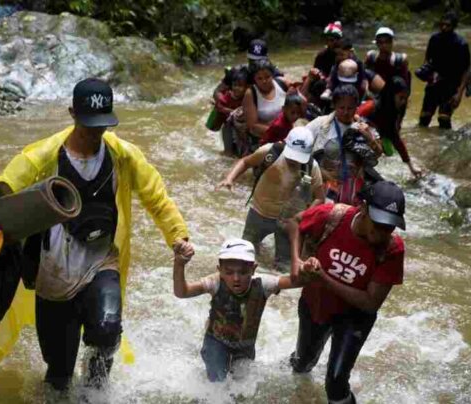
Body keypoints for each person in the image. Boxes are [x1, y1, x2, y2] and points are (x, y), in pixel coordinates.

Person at [0, 78, 191, 392]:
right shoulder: (45, 156)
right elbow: (6, 186)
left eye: (102, 126)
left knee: (108, 329)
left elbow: (156, 197)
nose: (96, 133)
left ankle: (96, 393)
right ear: (72, 114)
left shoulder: (122, 154)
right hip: (55, 269)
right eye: (89, 126)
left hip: (102, 259)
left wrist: (177, 235)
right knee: (58, 374)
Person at [287, 180, 406, 404]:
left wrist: (323, 277)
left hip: (354, 317)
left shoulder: (392, 249)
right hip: (316, 304)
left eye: (390, 227)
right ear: (362, 208)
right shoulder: (331, 216)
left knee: (336, 382)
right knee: (302, 364)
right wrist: (296, 262)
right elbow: (295, 222)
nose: (383, 233)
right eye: (378, 224)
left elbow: (370, 303)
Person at [173, 238, 302, 382]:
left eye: (243, 272)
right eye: (228, 272)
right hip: (216, 341)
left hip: (245, 345)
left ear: (253, 269)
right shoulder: (215, 282)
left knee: (241, 387)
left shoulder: (263, 284)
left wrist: (307, 269)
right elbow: (181, 292)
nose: (236, 278)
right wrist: (179, 264)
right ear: (219, 270)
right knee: (218, 383)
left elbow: (296, 281)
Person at [217, 127, 324, 272]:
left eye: (299, 157)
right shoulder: (270, 152)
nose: (294, 160)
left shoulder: (312, 167)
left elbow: (320, 198)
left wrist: (303, 216)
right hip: (259, 213)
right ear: (286, 144)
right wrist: (229, 178)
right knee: (245, 255)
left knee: (284, 266)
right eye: (292, 156)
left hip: (287, 222)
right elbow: (245, 162)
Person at [358, 76, 423, 178]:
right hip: (359, 140)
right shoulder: (370, 107)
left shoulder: (392, 112)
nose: (403, 102)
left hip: (375, 140)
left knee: (389, 151)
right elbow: (352, 118)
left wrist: (411, 167)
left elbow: (396, 139)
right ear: (390, 95)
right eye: (401, 98)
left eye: (405, 99)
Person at [418, 11, 470, 129]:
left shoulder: (461, 44)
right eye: (442, 24)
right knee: (424, 118)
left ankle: (446, 143)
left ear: (454, 27)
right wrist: (425, 72)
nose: (444, 27)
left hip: (452, 84)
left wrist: (459, 93)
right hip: (434, 81)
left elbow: (467, 70)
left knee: (444, 119)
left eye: (448, 25)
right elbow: (427, 58)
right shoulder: (434, 39)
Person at [243, 60, 289, 150]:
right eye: (259, 78)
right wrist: (279, 134)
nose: (264, 81)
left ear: (273, 75)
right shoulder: (250, 93)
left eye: (267, 77)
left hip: (284, 131)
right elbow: (253, 126)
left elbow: (297, 107)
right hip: (262, 137)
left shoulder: (283, 84)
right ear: (254, 79)